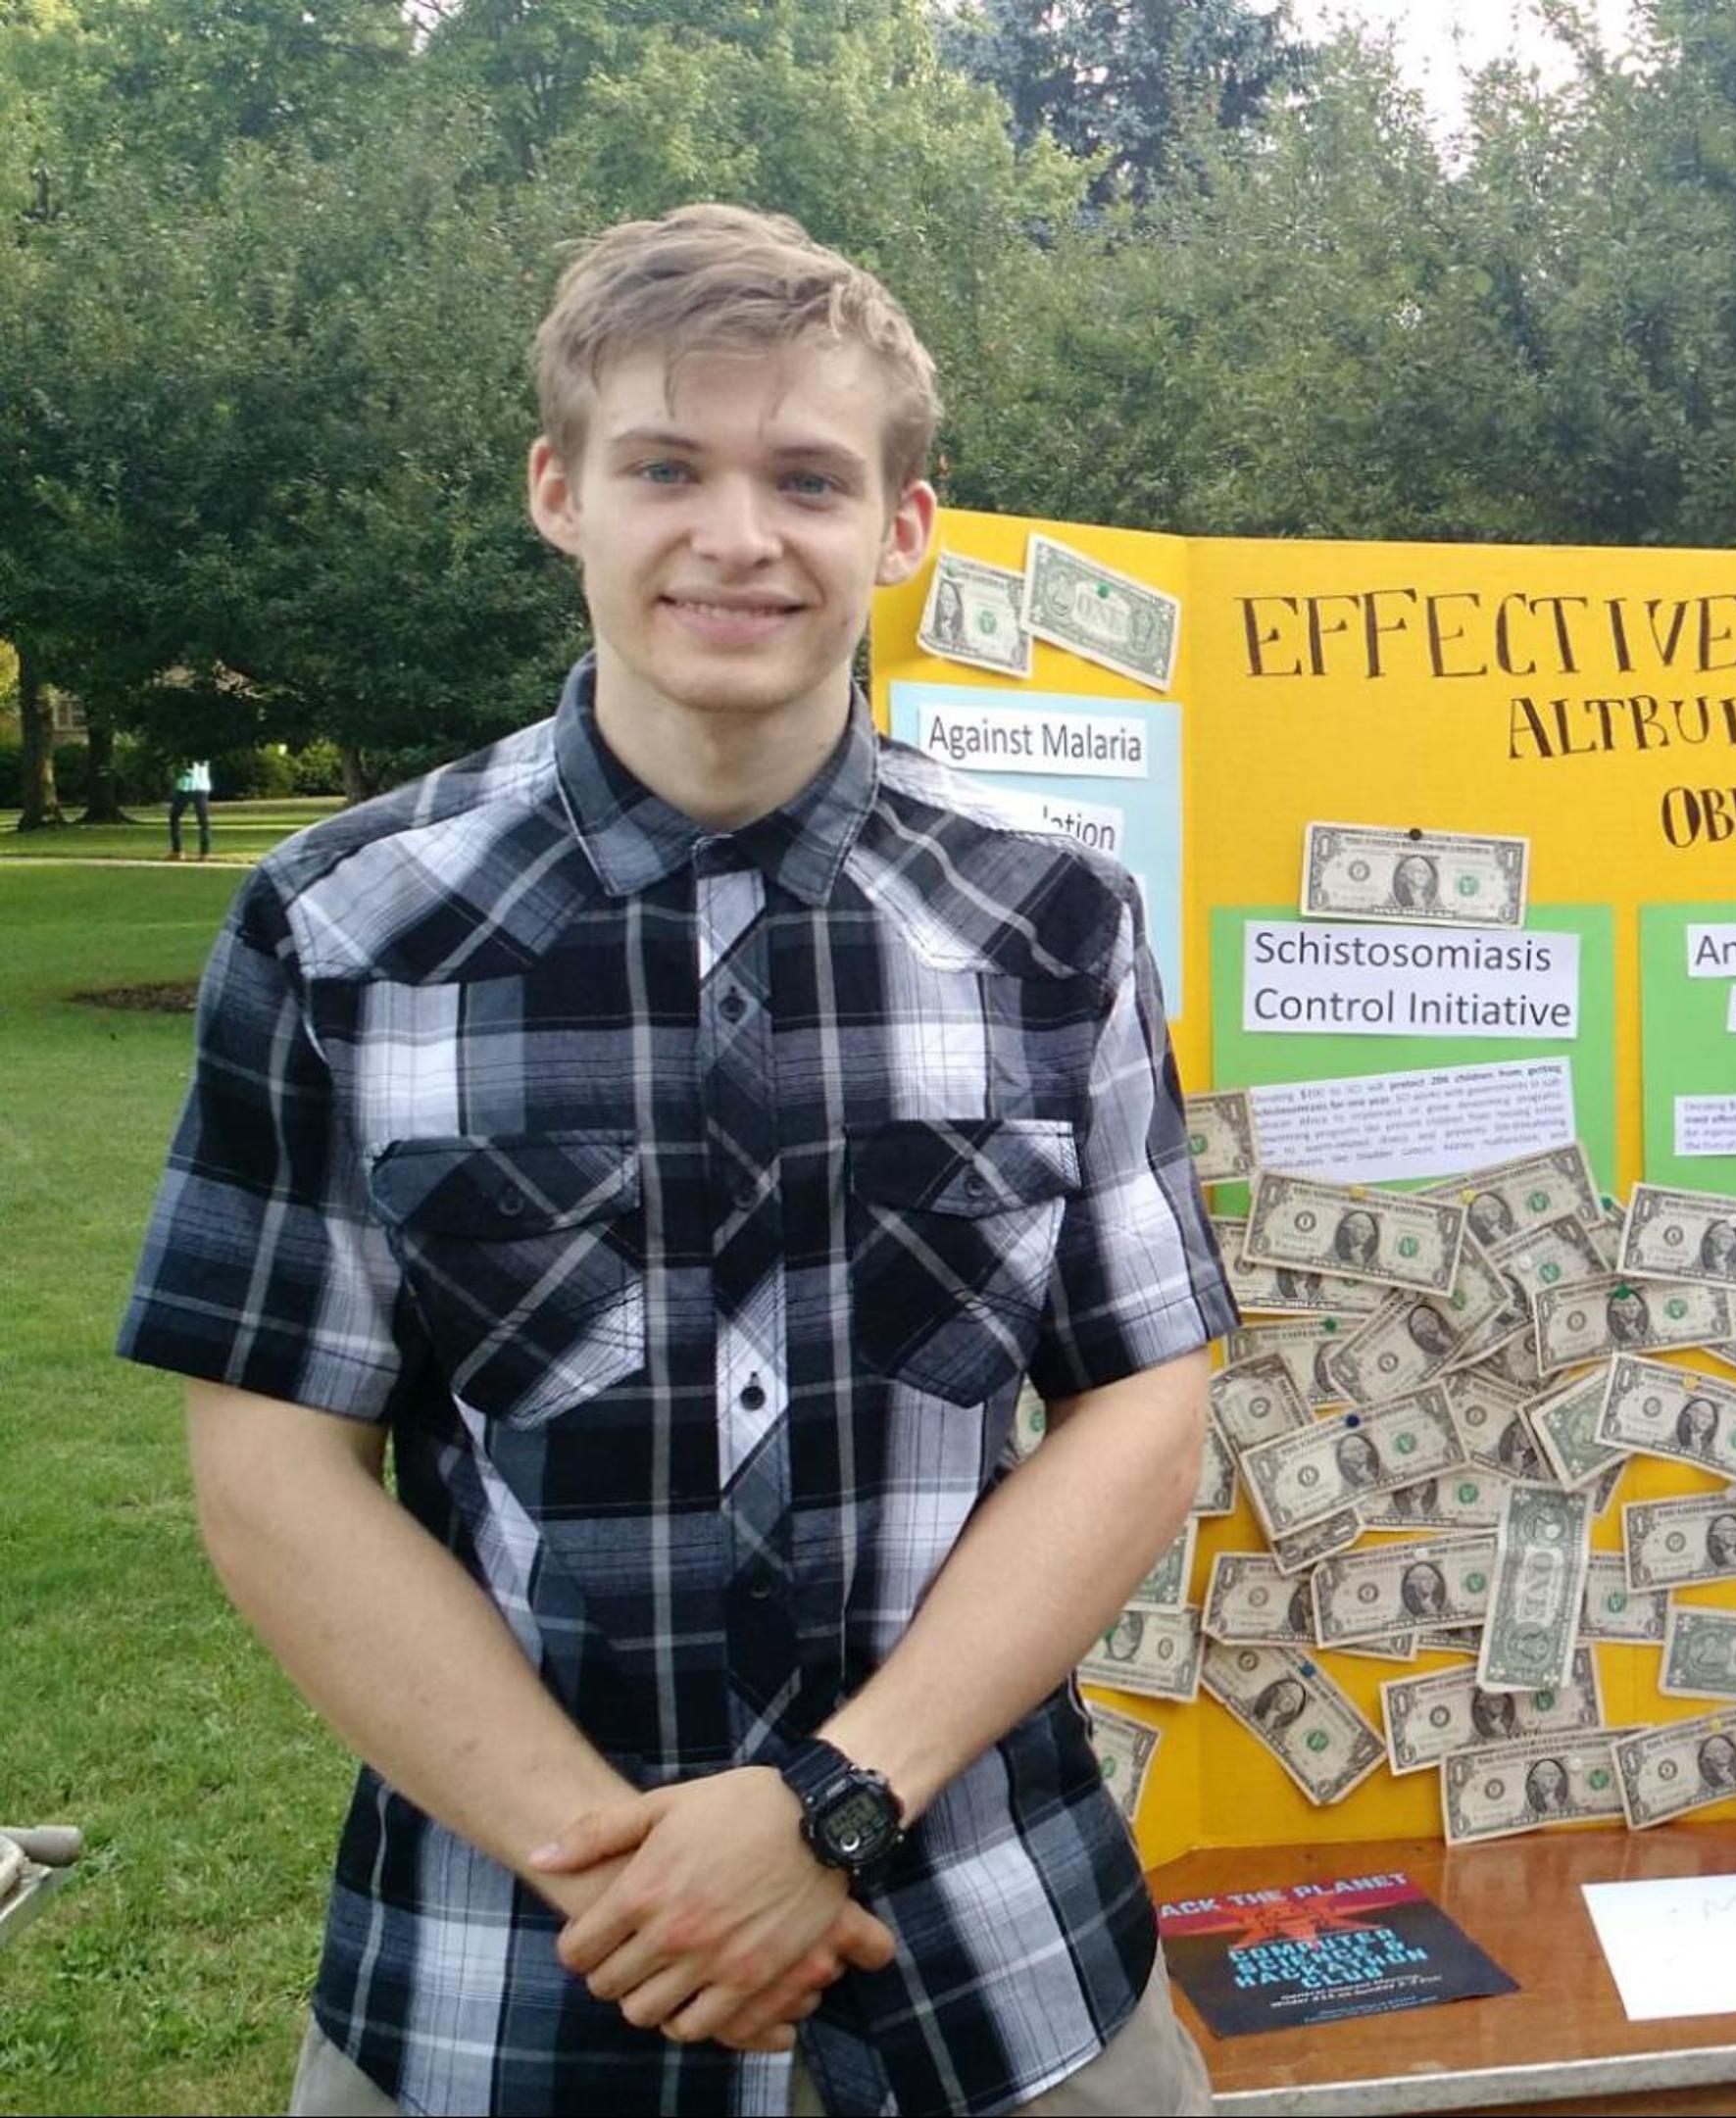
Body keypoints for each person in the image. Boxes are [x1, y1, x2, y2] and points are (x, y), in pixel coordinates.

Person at [119, 206, 1236, 2118]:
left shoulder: (1055, 916)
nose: (737, 534)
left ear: (903, 528)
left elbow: (1141, 1392)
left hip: (1002, 1974)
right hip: (512, 1985)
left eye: (807, 475)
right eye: (666, 467)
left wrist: (834, 1801)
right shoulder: (339, 927)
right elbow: (276, 1470)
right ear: (562, 493)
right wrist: (653, 1883)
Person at [167, 758, 215, 860]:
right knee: (203, 820)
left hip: (186, 787)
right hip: (201, 786)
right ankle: (204, 853)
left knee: (175, 817)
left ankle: (178, 851)